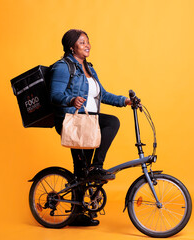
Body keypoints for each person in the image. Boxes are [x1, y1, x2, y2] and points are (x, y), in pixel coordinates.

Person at [50, 29, 131, 226]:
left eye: (88, 42)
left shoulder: (89, 68)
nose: (87, 45)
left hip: (90, 121)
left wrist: (125, 101)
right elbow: (54, 95)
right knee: (83, 166)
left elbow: (102, 94)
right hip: (74, 121)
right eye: (82, 42)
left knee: (82, 169)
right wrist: (71, 99)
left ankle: (78, 212)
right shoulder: (63, 67)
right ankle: (96, 171)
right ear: (71, 47)